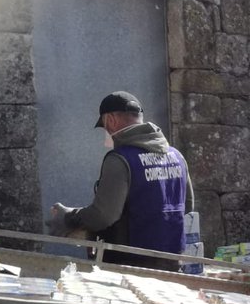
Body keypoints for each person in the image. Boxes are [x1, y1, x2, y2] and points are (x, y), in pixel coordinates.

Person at [50, 91, 190, 271]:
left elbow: (104, 216)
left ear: (110, 120)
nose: (106, 133)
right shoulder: (177, 156)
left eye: (105, 126)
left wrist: (69, 217)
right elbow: (188, 206)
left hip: (130, 267)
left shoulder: (119, 159)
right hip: (172, 263)